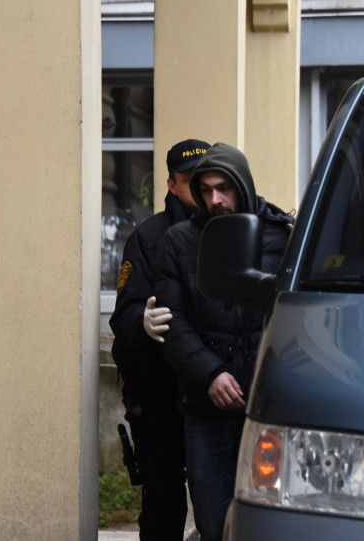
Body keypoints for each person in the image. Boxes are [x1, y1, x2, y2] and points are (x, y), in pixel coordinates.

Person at [154, 142, 294, 541]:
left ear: (242, 185)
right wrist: (210, 374)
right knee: (213, 522)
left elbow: (299, 316)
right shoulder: (179, 242)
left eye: (224, 188)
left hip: (268, 408)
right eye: (206, 190)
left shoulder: (283, 237)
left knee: (270, 523)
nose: (215, 199)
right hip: (206, 408)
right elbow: (172, 321)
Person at [108, 138, 210, 541]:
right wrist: (143, 323)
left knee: (216, 505)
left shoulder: (232, 228)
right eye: (189, 181)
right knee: (163, 504)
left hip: (211, 391)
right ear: (171, 185)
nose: (200, 190)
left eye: (205, 180)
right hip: (160, 396)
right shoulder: (148, 238)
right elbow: (125, 316)